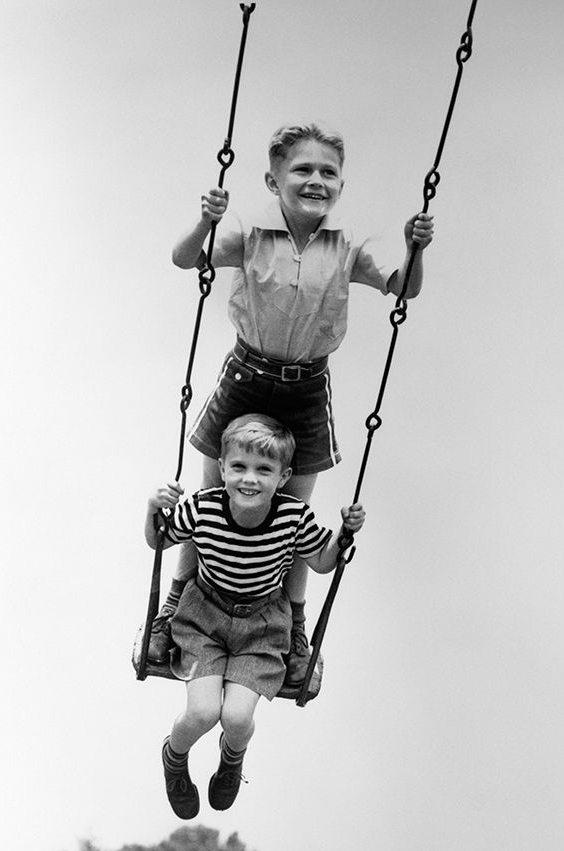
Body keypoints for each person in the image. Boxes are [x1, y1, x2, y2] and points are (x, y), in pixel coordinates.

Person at [145, 121, 433, 677]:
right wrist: (206, 220)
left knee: (296, 513)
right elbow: (185, 259)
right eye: (302, 169)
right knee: (210, 503)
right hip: (246, 376)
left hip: (305, 386)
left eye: (328, 172)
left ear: (341, 187)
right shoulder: (249, 237)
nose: (315, 180)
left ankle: (294, 627)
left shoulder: (348, 251)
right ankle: (173, 610)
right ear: (274, 180)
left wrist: (413, 247)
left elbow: (405, 286)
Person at [146, 414, 366, 818]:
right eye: (239, 468)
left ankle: (232, 760)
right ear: (223, 470)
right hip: (202, 620)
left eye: (264, 470)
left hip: (262, 628)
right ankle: (174, 758)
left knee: (236, 718)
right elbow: (159, 540)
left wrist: (343, 535)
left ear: (282, 478)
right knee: (201, 712)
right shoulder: (202, 507)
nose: (250, 479)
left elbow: (321, 561)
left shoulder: (292, 517)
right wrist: (153, 508)